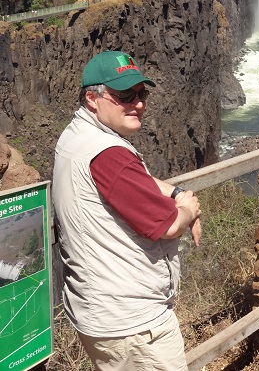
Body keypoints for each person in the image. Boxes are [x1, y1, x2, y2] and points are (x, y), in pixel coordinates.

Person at [52, 50, 202, 371]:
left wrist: (175, 191)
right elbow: (167, 225)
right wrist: (188, 208)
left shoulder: (75, 137)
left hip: (99, 310)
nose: (139, 103)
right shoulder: (109, 154)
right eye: (125, 95)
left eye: (142, 93)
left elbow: (133, 181)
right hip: (135, 325)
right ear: (93, 98)